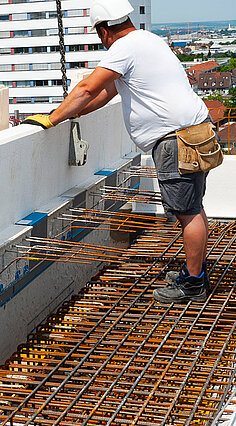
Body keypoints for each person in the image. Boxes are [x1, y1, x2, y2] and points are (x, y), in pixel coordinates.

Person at [23, 0, 216, 303]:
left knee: (187, 212)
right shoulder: (147, 40)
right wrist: (76, 113)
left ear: (104, 31)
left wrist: (53, 118)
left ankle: (193, 283)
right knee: (194, 206)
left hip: (176, 140)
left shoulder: (124, 47)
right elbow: (106, 92)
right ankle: (196, 272)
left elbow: (87, 88)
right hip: (194, 131)